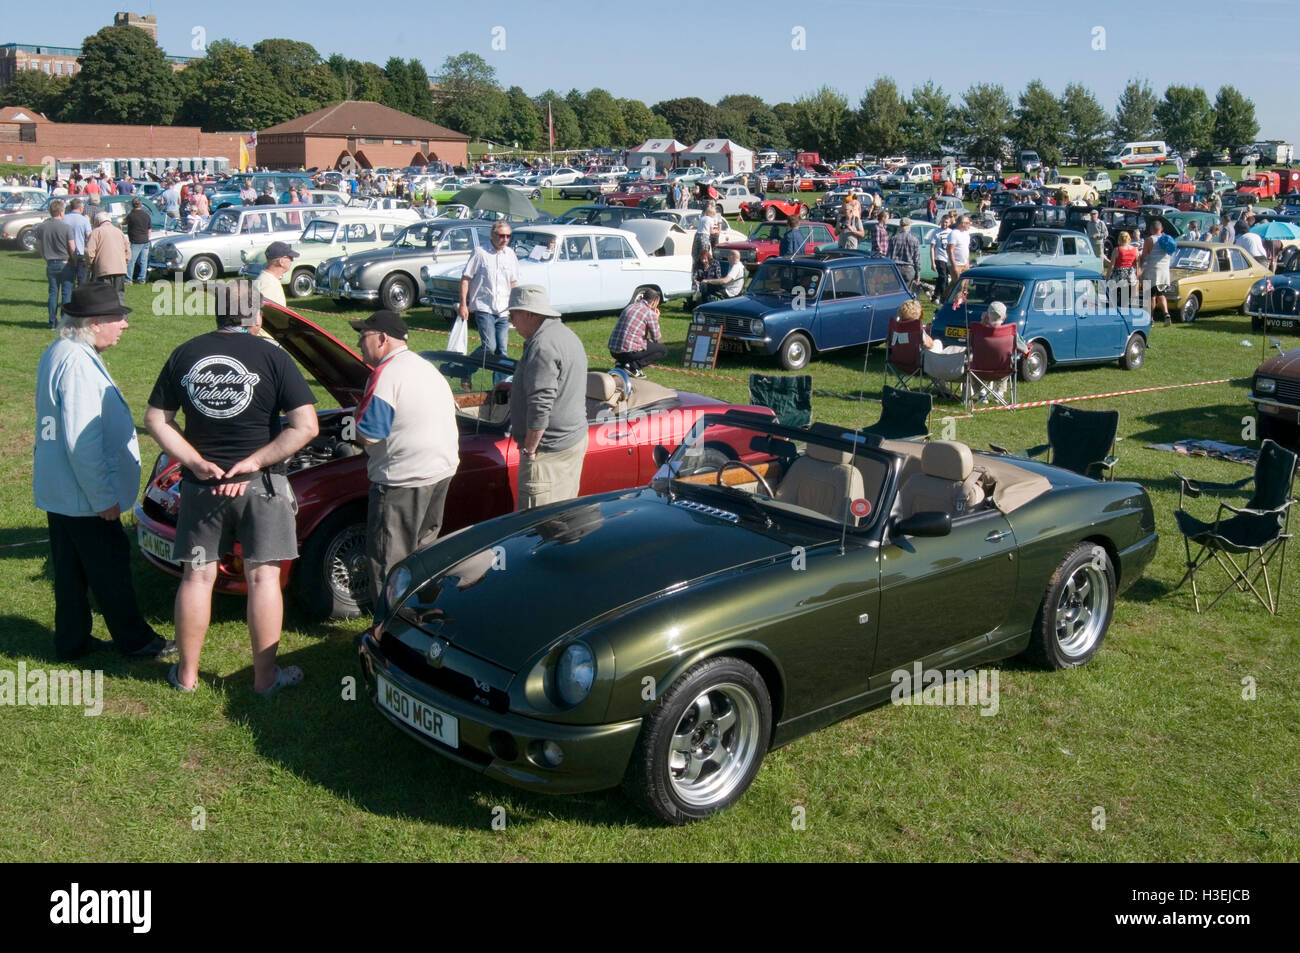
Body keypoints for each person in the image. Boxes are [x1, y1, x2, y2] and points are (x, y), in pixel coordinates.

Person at [144, 281, 319, 695]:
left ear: (218, 314)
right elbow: (307, 426)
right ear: (256, 317)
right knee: (263, 580)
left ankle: (186, 677)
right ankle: (265, 679)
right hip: (261, 486)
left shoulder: (186, 353)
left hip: (202, 487)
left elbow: (156, 419)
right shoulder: (274, 357)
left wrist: (194, 461)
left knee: (197, 578)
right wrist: (255, 461)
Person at [34, 283, 175, 662]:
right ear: (95, 323)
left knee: (70, 571)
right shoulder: (77, 363)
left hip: (62, 490)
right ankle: (136, 640)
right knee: (110, 569)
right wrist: (103, 499)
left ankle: (73, 640)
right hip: (84, 495)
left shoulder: (60, 350)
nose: (124, 325)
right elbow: (83, 441)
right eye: (118, 318)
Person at [349, 310, 459, 623]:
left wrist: (352, 428)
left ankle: (389, 630)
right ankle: (424, 618)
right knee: (425, 554)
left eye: (364, 335)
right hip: (440, 471)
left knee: (389, 561)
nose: (358, 341)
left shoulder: (387, 373)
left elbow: (370, 434)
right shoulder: (425, 367)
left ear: (382, 339)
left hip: (403, 478)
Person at [507, 285, 588, 511]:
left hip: (548, 451)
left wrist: (530, 450)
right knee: (562, 514)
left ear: (530, 314)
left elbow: (540, 405)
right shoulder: (565, 335)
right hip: (571, 440)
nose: (511, 321)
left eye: (513, 314)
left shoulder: (542, 346)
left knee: (535, 525)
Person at [458, 220, 519, 372]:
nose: (505, 239)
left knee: (502, 351)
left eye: (508, 236)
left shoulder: (510, 255)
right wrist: (463, 304)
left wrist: (515, 309)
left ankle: (499, 388)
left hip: (503, 310)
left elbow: (513, 283)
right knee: (489, 347)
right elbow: (466, 278)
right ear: (492, 235)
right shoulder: (480, 252)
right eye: (501, 235)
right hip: (484, 307)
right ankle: (466, 368)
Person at [608, 288, 667, 377]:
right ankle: (633, 367)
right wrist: (656, 318)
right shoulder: (649, 313)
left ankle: (621, 364)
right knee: (662, 349)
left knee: (639, 342)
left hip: (613, 350)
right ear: (654, 302)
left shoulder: (630, 306)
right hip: (628, 352)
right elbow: (656, 338)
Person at [35, 198, 75, 329]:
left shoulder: (42, 227)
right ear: (61, 212)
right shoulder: (66, 227)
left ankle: (52, 322)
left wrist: (45, 258)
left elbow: (40, 246)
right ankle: (64, 322)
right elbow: (72, 247)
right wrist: (74, 260)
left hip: (51, 263)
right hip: (65, 262)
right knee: (66, 293)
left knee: (53, 293)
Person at [84, 212, 130, 298]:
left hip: (103, 269)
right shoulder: (119, 232)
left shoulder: (96, 232)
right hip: (120, 268)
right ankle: (121, 311)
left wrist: (90, 265)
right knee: (119, 295)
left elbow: (89, 252)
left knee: (105, 297)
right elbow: (127, 251)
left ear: (97, 221)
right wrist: (125, 262)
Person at [1139, 220, 1175, 324]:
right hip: (1164, 271)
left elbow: (1144, 256)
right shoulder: (1167, 239)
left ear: (1151, 229)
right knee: (1161, 294)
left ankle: (1150, 318)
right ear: (1161, 229)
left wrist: (1139, 269)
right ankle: (1166, 313)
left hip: (1152, 271)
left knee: (1151, 296)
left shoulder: (1150, 239)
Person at [256, 240, 296, 309]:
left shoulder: (269, 279)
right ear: (281, 262)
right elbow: (266, 313)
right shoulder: (268, 284)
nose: (292, 260)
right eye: (290, 257)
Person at [64, 198, 92, 286]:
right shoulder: (84, 220)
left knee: (68, 280)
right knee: (82, 279)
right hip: (79, 251)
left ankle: (69, 298)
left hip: (66, 252)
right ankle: (81, 298)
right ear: (80, 208)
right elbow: (89, 236)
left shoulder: (64, 218)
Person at [888, 217, 922, 290]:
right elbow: (917, 259)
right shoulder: (914, 240)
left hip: (895, 268)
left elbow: (888, 256)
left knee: (894, 291)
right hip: (908, 269)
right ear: (909, 226)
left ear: (900, 226)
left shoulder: (893, 239)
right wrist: (918, 274)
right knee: (907, 293)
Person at [125, 197, 152, 284]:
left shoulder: (131, 215)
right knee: (143, 261)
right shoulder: (146, 215)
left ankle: (128, 279)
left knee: (131, 260)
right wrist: (147, 238)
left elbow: (124, 222)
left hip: (136, 241)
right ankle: (142, 278)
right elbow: (149, 229)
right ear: (141, 205)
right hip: (145, 240)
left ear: (133, 205)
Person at [1110, 231, 1139, 306]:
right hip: (1130, 276)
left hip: (1118, 276)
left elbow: (1111, 265)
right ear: (1129, 239)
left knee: (1114, 299)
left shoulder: (1117, 250)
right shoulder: (1135, 250)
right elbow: (1137, 265)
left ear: (1119, 239)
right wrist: (1138, 278)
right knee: (1126, 299)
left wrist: (1107, 277)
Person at [931, 212, 953, 303]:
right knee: (943, 277)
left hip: (948, 258)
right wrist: (932, 262)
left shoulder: (951, 233)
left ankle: (935, 295)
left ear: (950, 223)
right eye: (943, 222)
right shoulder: (936, 232)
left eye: (946, 222)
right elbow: (932, 248)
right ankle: (944, 298)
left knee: (943, 278)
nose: (945, 224)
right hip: (939, 257)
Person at [947, 214, 972, 283]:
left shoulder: (966, 234)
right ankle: (948, 294)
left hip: (965, 264)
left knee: (964, 285)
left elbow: (966, 249)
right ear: (963, 223)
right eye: (968, 223)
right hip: (956, 264)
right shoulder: (954, 233)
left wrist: (967, 263)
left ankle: (946, 294)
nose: (969, 225)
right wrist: (954, 266)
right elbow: (950, 250)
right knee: (958, 285)